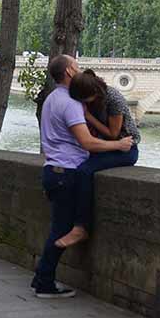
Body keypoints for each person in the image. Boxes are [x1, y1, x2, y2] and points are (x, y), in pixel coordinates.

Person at [32, 55, 134, 299]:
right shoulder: (70, 102)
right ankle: (44, 282)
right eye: (75, 66)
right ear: (69, 71)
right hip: (66, 171)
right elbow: (87, 142)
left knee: (58, 227)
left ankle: (42, 279)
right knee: (60, 231)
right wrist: (118, 145)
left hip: (53, 169)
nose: (78, 69)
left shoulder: (51, 98)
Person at [58, 70, 141, 248]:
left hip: (125, 149)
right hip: (105, 147)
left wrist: (88, 117)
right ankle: (68, 219)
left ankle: (81, 227)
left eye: (82, 100)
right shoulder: (88, 96)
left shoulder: (113, 98)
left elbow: (114, 135)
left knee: (84, 171)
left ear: (93, 93)